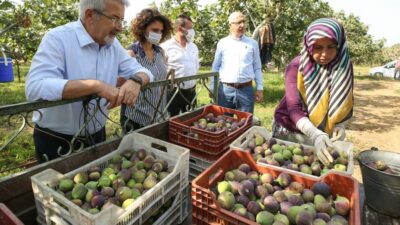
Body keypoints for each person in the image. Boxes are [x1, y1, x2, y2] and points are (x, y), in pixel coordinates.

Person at [25, 0, 153, 162]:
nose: (120, 27)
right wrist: (94, 86)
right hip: (56, 140)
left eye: (121, 20)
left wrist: (135, 80)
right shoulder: (58, 38)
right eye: (114, 18)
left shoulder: (113, 46)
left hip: (97, 135)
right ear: (90, 15)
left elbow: (144, 71)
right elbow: (35, 87)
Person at [273, 18, 354, 165]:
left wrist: (340, 125)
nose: (324, 54)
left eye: (331, 47)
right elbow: (294, 108)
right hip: (291, 129)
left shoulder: (344, 66)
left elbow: (344, 99)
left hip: (323, 134)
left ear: (340, 44)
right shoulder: (296, 67)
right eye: (317, 47)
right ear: (309, 45)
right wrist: (314, 134)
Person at [120, 8, 172, 132]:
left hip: (159, 115)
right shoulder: (131, 53)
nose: (158, 34)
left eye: (161, 31)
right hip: (136, 118)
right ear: (142, 29)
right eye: (155, 30)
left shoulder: (160, 52)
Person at [210, 11, 264, 113]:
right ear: (231, 25)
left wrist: (260, 88)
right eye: (238, 22)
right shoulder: (223, 43)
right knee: (223, 122)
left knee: (245, 124)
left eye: (243, 22)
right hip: (225, 90)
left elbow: (257, 67)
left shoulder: (253, 44)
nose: (242, 25)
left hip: (246, 90)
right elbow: (215, 66)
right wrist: (212, 87)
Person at [161, 14, 200, 117]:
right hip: (173, 92)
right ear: (179, 28)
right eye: (189, 28)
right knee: (171, 122)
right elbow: (162, 70)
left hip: (191, 91)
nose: (192, 31)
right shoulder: (165, 47)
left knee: (191, 120)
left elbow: (196, 66)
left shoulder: (193, 47)